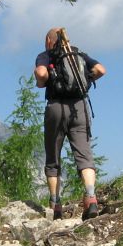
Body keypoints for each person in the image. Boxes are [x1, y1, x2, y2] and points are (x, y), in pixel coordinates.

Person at [34, 27, 106, 220]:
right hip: (79, 107)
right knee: (84, 155)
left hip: (56, 108)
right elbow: (101, 69)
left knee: (53, 157)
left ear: (49, 41)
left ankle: (55, 204)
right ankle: (91, 198)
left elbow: (41, 73)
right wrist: (87, 79)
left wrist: (44, 81)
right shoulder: (78, 53)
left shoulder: (46, 55)